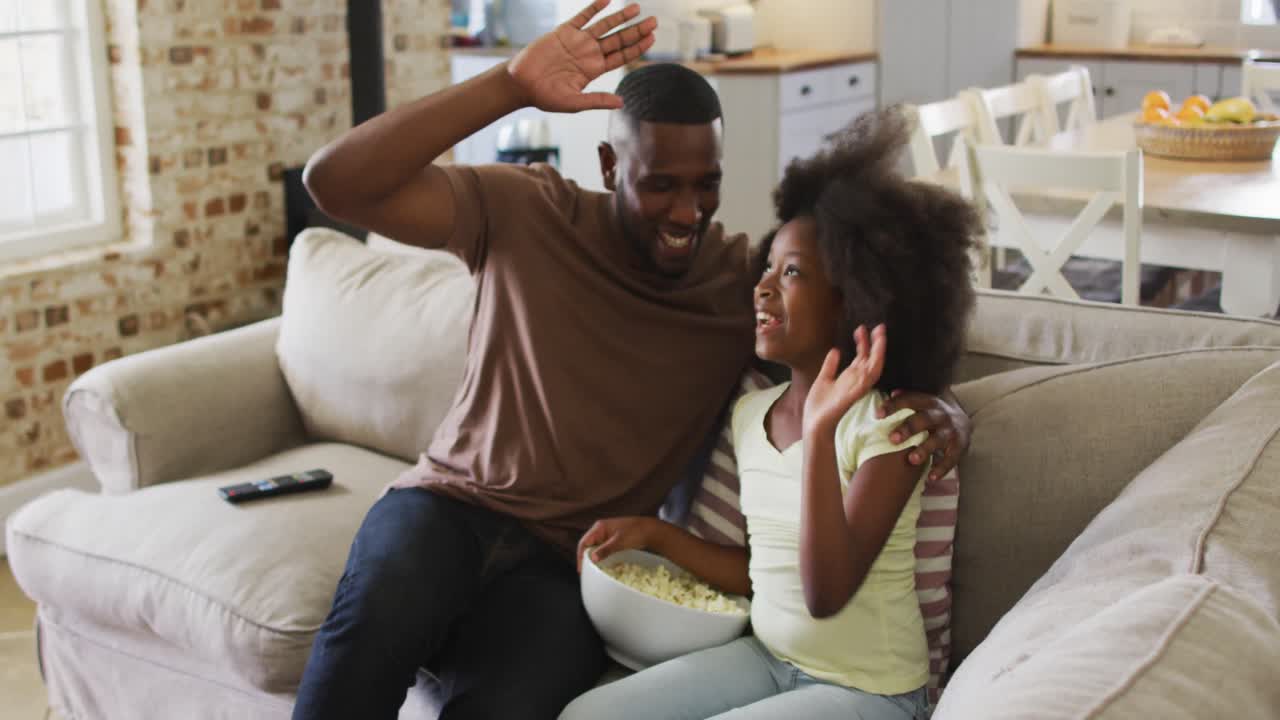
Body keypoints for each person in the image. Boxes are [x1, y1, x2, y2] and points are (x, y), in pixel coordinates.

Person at [292, 3, 972, 718]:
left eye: (705, 183)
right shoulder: (524, 210)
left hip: (568, 564)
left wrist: (938, 400)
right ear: (610, 164)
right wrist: (510, 86)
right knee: (372, 627)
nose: (688, 211)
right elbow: (336, 185)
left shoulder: (738, 286)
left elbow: (856, 312)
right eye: (661, 185)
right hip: (448, 509)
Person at [560, 109, 981, 720]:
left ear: (857, 297)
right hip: (768, 660)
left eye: (791, 274)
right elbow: (765, 572)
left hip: (871, 690)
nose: (762, 288)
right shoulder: (751, 412)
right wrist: (655, 535)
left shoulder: (892, 428)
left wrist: (819, 429)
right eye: (767, 268)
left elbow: (825, 591)